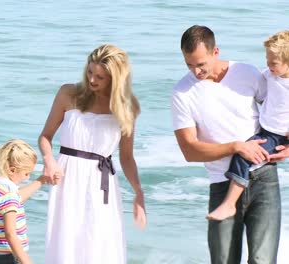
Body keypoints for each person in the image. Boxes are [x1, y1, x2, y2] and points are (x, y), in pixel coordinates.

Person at [171, 25, 288, 263]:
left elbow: (281, 109)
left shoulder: (246, 72)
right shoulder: (182, 93)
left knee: (263, 260)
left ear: (216, 52)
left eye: (201, 64)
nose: (196, 71)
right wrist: (236, 147)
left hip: (264, 178)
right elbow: (189, 151)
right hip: (222, 182)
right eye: (189, 65)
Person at [39, 44, 146, 264]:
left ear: (116, 78)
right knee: (67, 243)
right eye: (90, 72)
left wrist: (138, 192)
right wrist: (49, 160)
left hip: (102, 183)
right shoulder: (68, 94)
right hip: (67, 179)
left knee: (100, 243)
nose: (92, 80)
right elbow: (45, 137)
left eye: (100, 77)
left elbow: (126, 157)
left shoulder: (127, 107)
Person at [207, 30, 289, 221]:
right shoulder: (269, 75)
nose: (269, 66)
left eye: (274, 63)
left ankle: (229, 205)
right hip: (267, 129)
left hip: (276, 135)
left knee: (243, 155)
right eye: (267, 60)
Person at [0, 139, 50, 264]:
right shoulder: (9, 194)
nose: (28, 177)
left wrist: (41, 180)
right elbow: (10, 234)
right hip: (10, 256)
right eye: (26, 173)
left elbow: (16, 198)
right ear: (12, 170)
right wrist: (25, 260)